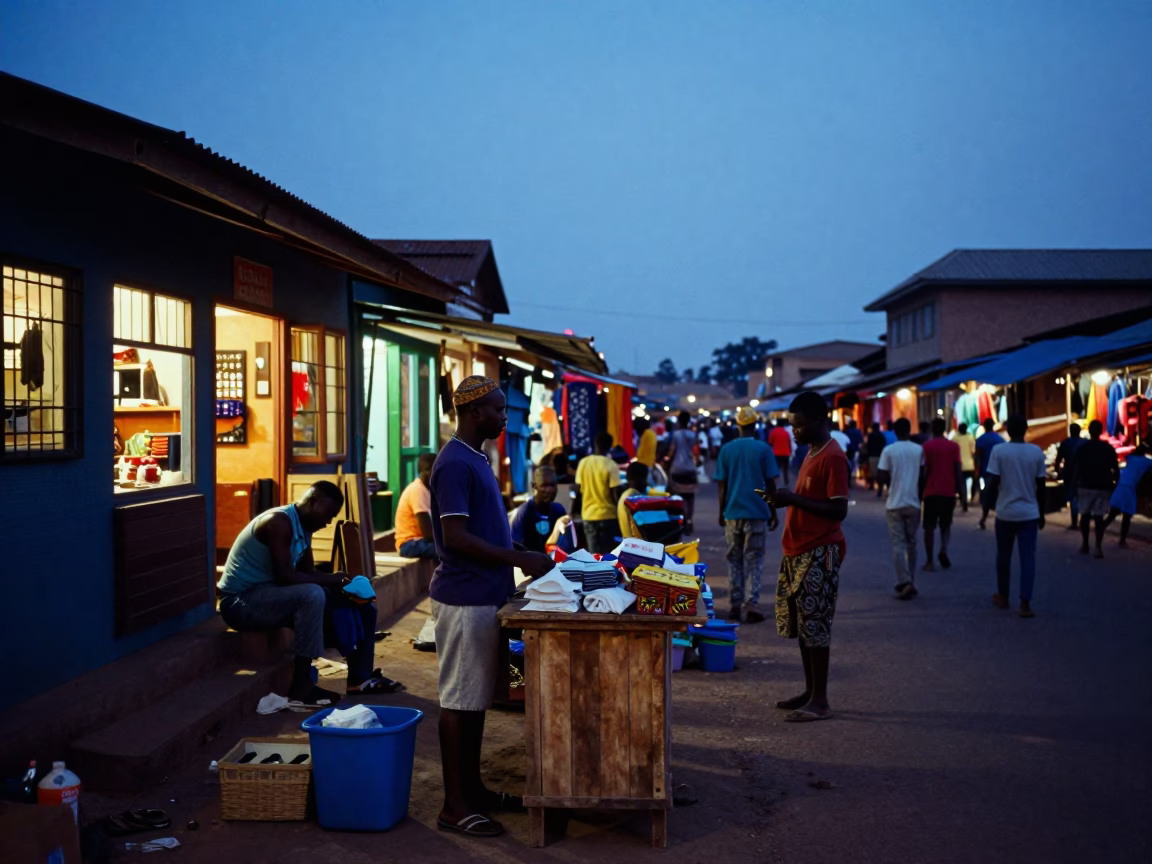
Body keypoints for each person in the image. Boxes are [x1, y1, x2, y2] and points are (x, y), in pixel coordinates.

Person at [428, 376, 553, 839]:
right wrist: (519, 558)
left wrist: (518, 548)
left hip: (484, 594)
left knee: (475, 700)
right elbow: (456, 537)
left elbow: (484, 528)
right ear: (476, 411)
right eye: (500, 410)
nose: (505, 417)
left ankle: (472, 789)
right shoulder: (455, 463)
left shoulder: (477, 457)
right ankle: (453, 806)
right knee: (458, 703)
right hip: (464, 598)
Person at [218, 481, 394, 704]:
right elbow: (285, 577)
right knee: (312, 594)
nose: (328, 521)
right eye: (327, 514)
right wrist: (333, 578)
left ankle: (360, 678)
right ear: (312, 502)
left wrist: (344, 587)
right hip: (240, 603)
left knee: (360, 603)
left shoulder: (304, 527)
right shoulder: (279, 522)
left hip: (270, 596)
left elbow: (307, 573)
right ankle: (301, 686)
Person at [760, 391, 849, 723]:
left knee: (817, 625)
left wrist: (793, 499)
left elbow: (838, 508)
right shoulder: (812, 451)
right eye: (791, 425)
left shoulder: (833, 456)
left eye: (798, 425)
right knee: (803, 623)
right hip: (798, 548)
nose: (793, 431)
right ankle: (810, 691)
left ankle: (821, 701)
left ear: (818, 420)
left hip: (820, 548)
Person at [715, 406, 781, 623]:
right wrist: (773, 511)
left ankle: (735, 604)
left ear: (738, 425)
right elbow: (771, 483)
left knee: (734, 559)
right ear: (755, 425)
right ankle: (751, 603)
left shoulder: (726, 450)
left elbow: (722, 486)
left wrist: (721, 511)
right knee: (754, 560)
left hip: (732, 513)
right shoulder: (763, 449)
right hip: (757, 513)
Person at [985, 414, 1047, 618]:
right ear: (1026, 429)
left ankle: (1003, 597)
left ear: (1008, 430)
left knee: (1003, 556)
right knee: (1028, 559)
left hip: (1006, 513)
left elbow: (992, 481)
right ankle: (1025, 603)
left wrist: (988, 502)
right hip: (1029, 513)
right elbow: (1041, 486)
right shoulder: (1036, 452)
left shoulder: (999, 451)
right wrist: (1042, 512)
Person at [876, 418, 923, 600]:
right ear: (910, 430)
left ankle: (904, 581)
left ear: (894, 432)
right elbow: (923, 474)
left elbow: (881, 475)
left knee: (898, 543)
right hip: (913, 503)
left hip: (894, 503)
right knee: (912, 543)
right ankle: (910, 579)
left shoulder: (888, 450)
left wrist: (891, 483)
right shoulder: (918, 450)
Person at [920, 417, 963, 572]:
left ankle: (930, 561)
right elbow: (957, 470)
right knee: (946, 525)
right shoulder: (953, 446)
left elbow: (924, 472)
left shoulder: (926, 446)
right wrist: (962, 492)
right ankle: (943, 549)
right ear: (944, 428)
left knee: (929, 527)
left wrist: (920, 493)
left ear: (932, 429)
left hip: (931, 492)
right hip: (948, 491)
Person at [1073, 419, 1120, 559]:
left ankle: (1085, 544)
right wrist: (1116, 484)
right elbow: (1115, 469)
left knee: (1085, 516)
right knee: (1099, 516)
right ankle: (1098, 547)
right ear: (1101, 431)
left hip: (1085, 486)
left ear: (1089, 431)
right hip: (1103, 486)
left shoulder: (1082, 448)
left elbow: (1077, 469)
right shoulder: (1108, 448)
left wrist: (1074, 485)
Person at [575, 432, 622, 555]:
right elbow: (614, 494)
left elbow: (577, 491)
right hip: (609, 516)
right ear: (610, 446)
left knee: (594, 558)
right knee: (610, 556)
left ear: (595, 444)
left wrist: (574, 511)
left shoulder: (583, 463)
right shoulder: (612, 465)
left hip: (589, 515)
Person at [509, 465, 569, 554]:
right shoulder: (524, 513)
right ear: (534, 486)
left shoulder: (559, 511)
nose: (549, 490)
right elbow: (515, 547)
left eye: (552, 485)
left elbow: (564, 547)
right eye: (544, 485)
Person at [1103, 445, 1152, 547]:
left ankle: (1100, 529)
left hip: (1121, 486)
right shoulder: (1147, 461)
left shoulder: (1130, 458)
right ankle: (1122, 540)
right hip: (1130, 488)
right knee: (1126, 516)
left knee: (1112, 514)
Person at [395, 453, 438, 559]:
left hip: (420, 541)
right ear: (425, 471)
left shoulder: (428, 490)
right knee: (447, 552)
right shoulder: (417, 490)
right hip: (409, 543)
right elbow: (428, 533)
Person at [666, 412, 701, 533]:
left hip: (677, 469)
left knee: (677, 497)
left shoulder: (675, 435)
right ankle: (690, 520)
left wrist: (665, 460)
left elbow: (671, 452)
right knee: (690, 497)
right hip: (690, 469)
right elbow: (696, 453)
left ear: (679, 422)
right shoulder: (693, 435)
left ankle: (682, 519)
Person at [1053, 423, 1085, 530]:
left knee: (1073, 498)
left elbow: (1058, 459)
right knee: (1082, 498)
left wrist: (1057, 471)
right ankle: (1083, 521)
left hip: (1069, 474)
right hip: (1083, 474)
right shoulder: (1084, 442)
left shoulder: (1066, 443)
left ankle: (1075, 522)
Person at [975, 418, 1004, 530]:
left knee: (986, 496)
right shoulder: (1000, 439)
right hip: (999, 472)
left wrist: (978, 471)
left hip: (986, 473)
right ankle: (1000, 518)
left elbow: (977, 457)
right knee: (998, 495)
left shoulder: (980, 440)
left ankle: (983, 519)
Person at [617, 461, 650, 540]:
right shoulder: (634, 498)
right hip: (637, 546)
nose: (647, 483)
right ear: (641, 479)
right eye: (645, 479)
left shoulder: (626, 495)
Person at [952, 422, 977, 510]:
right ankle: (971, 497)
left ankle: (964, 499)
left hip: (959, 464)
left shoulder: (955, 438)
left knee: (961, 484)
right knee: (974, 482)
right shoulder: (970, 437)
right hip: (970, 465)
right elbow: (973, 452)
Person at [769, 419, 794, 486]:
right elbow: (789, 443)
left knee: (777, 469)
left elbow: (770, 442)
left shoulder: (773, 432)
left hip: (777, 453)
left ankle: (776, 483)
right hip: (786, 453)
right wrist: (790, 452)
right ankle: (786, 481)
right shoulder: (786, 432)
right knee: (785, 469)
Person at [865, 422, 887, 493]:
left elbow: (868, 446)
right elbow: (884, 444)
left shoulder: (870, 435)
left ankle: (873, 486)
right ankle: (880, 487)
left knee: (873, 472)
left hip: (872, 456)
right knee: (880, 472)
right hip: (880, 455)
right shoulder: (881, 435)